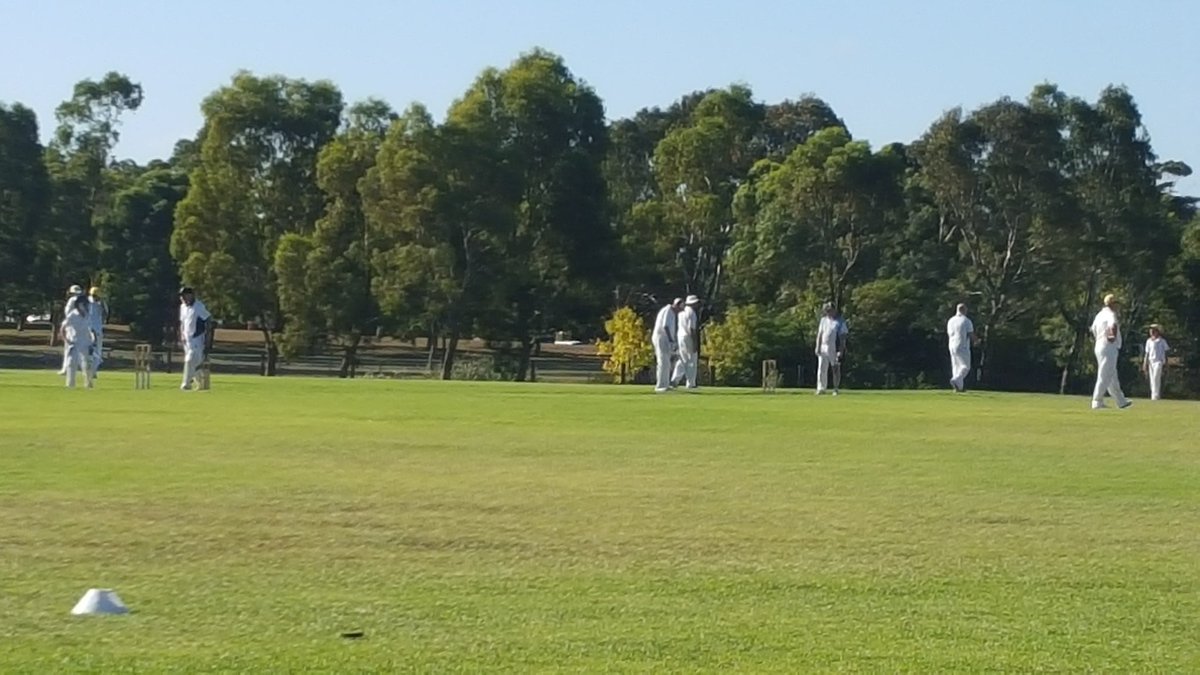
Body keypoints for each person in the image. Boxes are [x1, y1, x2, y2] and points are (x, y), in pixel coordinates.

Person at [1090, 293, 1132, 410]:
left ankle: (1121, 401)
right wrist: (1112, 336)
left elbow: (1093, 329)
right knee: (1105, 374)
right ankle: (1097, 401)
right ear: (1113, 304)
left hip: (1099, 344)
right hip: (1108, 346)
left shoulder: (1099, 315)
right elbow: (1112, 324)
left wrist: (1100, 337)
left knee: (1112, 375)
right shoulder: (1111, 314)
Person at [179, 286, 212, 391]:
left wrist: (207, 338)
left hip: (197, 339)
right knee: (196, 364)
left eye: (184, 295)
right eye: (182, 296)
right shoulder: (183, 307)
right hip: (186, 340)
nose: (183, 298)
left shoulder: (199, 306)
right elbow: (183, 323)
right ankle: (201, 385)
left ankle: (186, 384)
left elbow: (207, 320)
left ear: (191, 295)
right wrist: (182, 335)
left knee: (189, 360)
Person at [60, 298, 95, 389]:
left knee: (87, 364)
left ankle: (88, 384)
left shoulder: (87, 315)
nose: (85, 306)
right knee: (72, 364)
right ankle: (70, 384)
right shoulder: (72, 315)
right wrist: (66, 339)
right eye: (84, 304)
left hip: (86, 342)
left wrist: (92, 339)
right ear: (79, 305)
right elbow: (63, 327)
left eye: (86, 304)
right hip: (74, 342)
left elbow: (90, 329)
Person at [814, 302, 848, 395]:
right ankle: (821, 388)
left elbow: (842, 337)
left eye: (830, 311)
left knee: (835, 368)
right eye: (827, 311)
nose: (828, 313)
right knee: (821, 367)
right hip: (823, 346)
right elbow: (820, 334)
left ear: (834, 310)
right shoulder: (823, 320)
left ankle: (835, 388)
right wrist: (818, 346)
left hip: (833, 346)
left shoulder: (840, 321)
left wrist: (841, 350)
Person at [651, 298, 682, 393]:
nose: (679, 311)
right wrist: (671, 340)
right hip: (661, 338)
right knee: (663, 362)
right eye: (679, 309)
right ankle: (660, 386)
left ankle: (665, 384)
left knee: (666, 362)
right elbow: (666, 326)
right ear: (676, 305)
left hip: (665, 339)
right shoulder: (668, 310)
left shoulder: (672, 312)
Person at [946, 303, 978, 392]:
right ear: (964, 310)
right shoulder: (966, 321)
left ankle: (959, 387)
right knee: (965, 366)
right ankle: (956, 379)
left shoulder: (951, 320)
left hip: (952, 345)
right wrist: (976, 341)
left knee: (956, 366)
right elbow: (970, 334)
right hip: (962, 345)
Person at [672, 295, 701, 390]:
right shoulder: (692, 313)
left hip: (680, 336)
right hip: (688, 336)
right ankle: (691, 383)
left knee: (683, 359)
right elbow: (692, 329)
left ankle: (675, 379)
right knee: (692, 359)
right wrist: (695, 342)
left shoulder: (681, 312)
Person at [57, 284, 84, 375]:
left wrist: (64, 324)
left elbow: (68, 313)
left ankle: (66, 368)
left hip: (72, 326)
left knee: (69, 349)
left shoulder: (72, 300)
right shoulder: (84, 301)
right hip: (82, 326)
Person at [1142, 324, 1169, 401]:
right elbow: (1147, 353)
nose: (1152, 332)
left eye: (1154, 330)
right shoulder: (1149, 341)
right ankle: (1153, 395)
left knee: (1156, 377)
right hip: (1151, 362)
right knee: (1152, 379)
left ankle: (1156, 395)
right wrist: (1145, 363)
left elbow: (1166, 352)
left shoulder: (1162, 341)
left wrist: (1166, 363)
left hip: (1159, 361)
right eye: (1151, 330)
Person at [87, 286, 108, 378]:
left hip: (92, 329)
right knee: (96, 352)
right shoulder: (94, 304)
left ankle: (93, 371)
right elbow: (106, 313)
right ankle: (91, 371)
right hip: (94, 330)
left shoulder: (89, 302)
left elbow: (105, 314)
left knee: (96, 353)